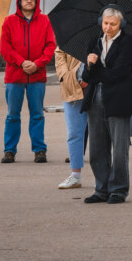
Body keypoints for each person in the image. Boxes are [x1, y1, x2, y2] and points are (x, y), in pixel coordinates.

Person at [81, 6, 132, 203]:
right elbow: (86, 76)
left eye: (113, 24)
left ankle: (119, 189)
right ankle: (101, 188)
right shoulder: (94, 42)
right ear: (101, 22)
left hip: (119, 98)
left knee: (120, 148)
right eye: (105, 23)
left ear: (120, 24)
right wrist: (90, 64)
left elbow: (119, 73)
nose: (108, 27)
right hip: (95, 97)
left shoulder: (127, 41)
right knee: (97, 147)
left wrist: (96, 68)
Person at [0, 0, 54, 164]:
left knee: (37, 114)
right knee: (13, 115)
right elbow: (4, 47)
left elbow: (50, 46)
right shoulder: (9, 21)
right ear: (19, 2)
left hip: (37, 76)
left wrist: (37, 64)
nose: (29, 1)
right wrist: (22, 62)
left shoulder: (45, 21)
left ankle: (39, 150)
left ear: (36, 2)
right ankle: (9, 151)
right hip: (15, 76)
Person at [53, 47, 89, 189]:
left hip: (97, 88)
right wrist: (66, 76)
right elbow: (59, 52)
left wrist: (90, 76)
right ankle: (75, 175)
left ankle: (106, 176)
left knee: (103, 134)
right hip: (72, 86)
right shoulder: (70, 30)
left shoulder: (104, 30)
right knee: (74, 133)